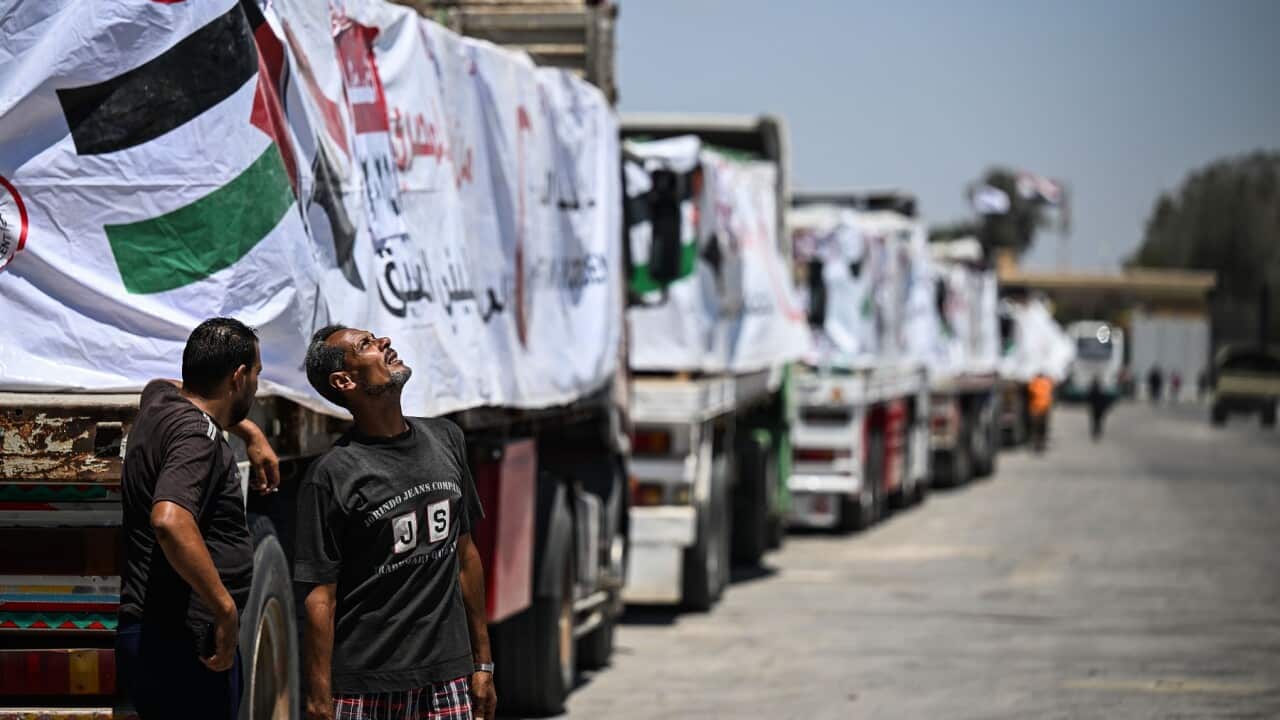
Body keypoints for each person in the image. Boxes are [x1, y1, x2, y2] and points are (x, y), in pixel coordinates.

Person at [297, 325, 496, 720]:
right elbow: (321, 596)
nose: (384, 343)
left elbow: (465, 557)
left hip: (446, 678)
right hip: (365, 686)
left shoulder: (447, 439)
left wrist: (483, 664)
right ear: (344, 380)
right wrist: (320, 698)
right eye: (366, 345)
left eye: (377, 338)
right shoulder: (332, 474)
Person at [117, 318, 281, 720]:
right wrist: (224, 609)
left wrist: (250, 434)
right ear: (238, 377)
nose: (257, 388)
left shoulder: (159, 403)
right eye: (256, 375)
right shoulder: (197, 436)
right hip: (186, 646)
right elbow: (170, 520)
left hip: (153, 636)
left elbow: (163, 382)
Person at [1027, 373, 1054, 453]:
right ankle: (1041, 444)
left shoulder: (1035, 382)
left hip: (1036, 408)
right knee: (1043, 427)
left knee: (1036, 428)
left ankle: (1037, 444)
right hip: (1045, 407)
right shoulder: (1047, 382)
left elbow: (1030, 390)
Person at [1087, 375, 1110, 441]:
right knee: (1098, 420)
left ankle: (1095, 431)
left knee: (1095, 420)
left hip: (1094, 408)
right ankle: (1098, 431)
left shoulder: (1091, 390)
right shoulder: (1101, 390)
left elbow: (1089, 399)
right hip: (1100, 408)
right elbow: (1105, 399)